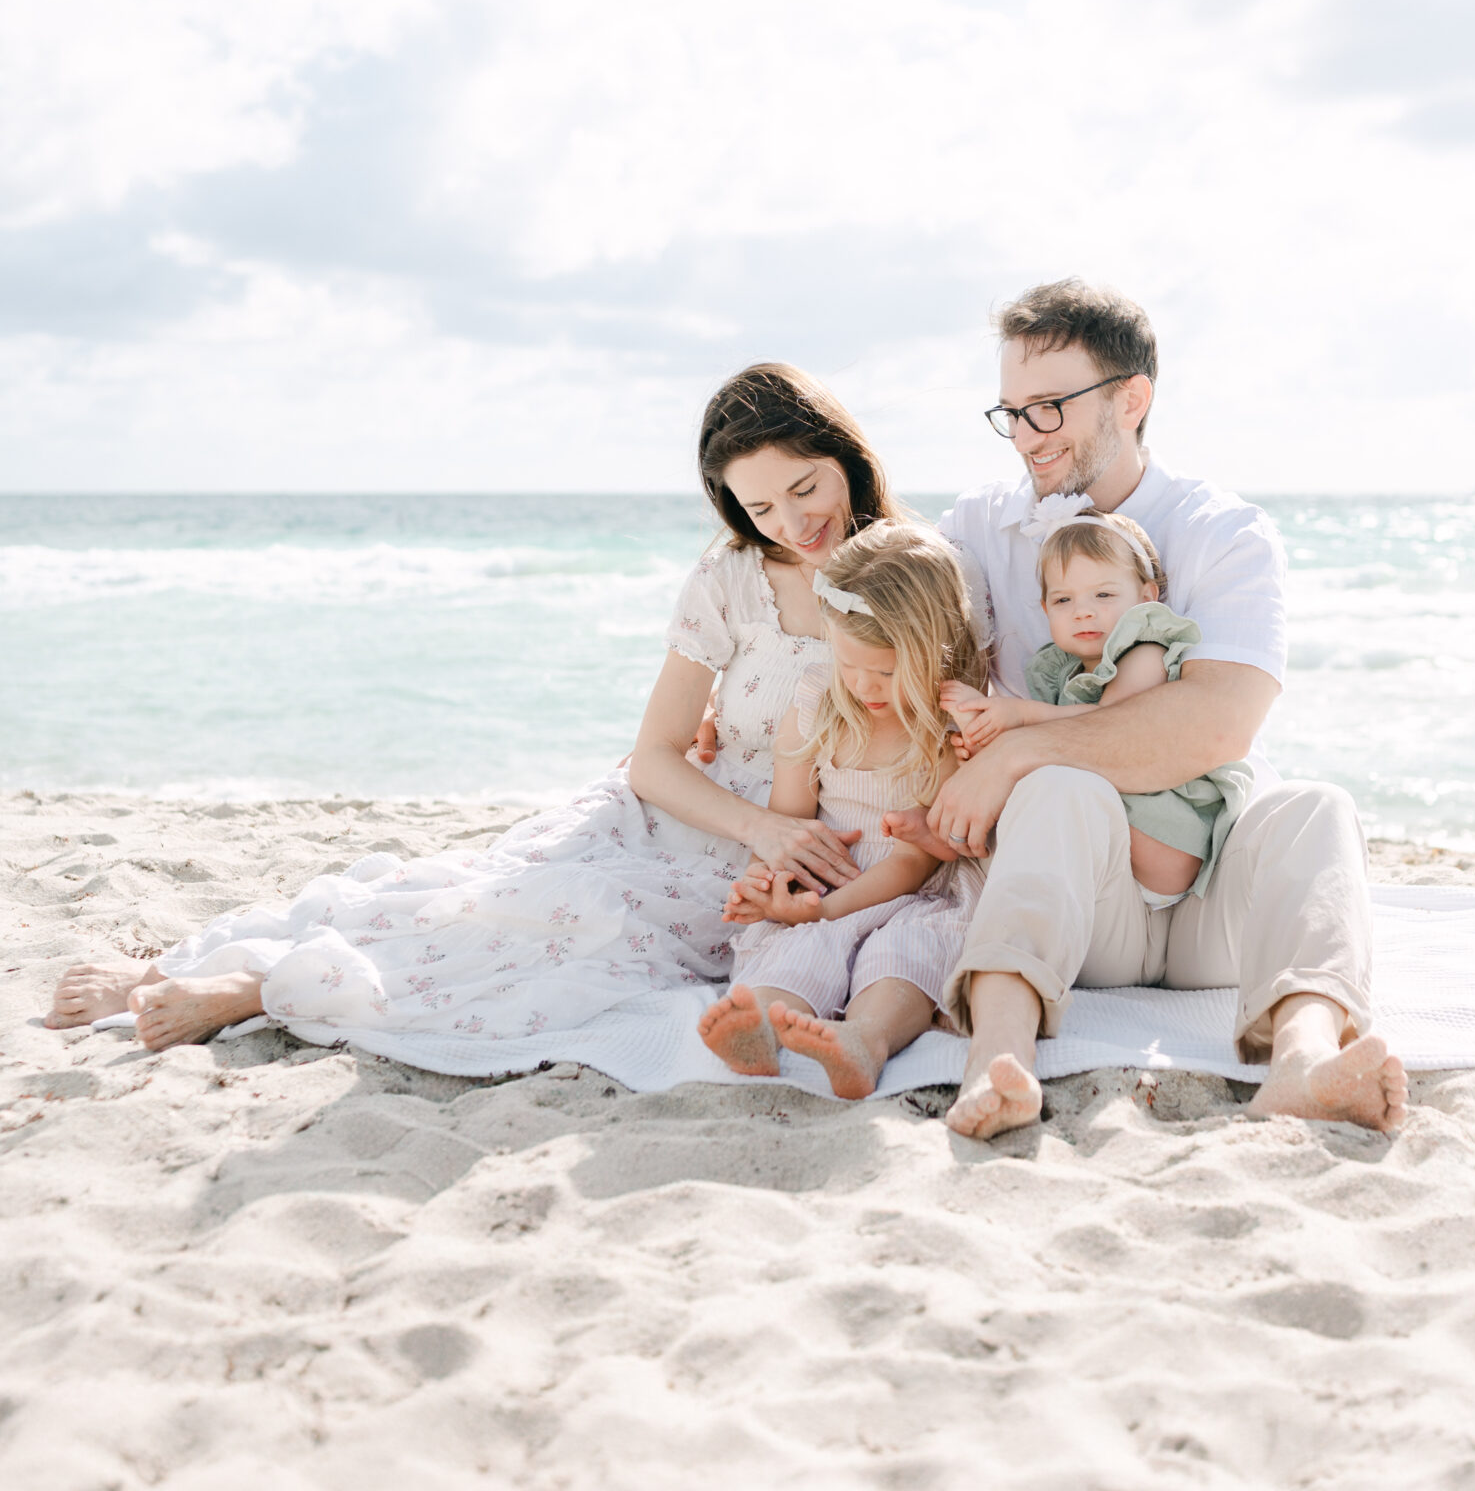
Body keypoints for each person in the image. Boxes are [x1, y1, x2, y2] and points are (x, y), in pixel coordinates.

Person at [44, 365, 897, 1071]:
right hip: (694, 810)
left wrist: (785, 840)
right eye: (760, 509)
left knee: (571, 944)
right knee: (472, 895)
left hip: (792, 852)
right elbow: (655, 758)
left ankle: (255, 991)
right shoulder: (730, 578)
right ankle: (175, 970)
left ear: (845, 456)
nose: (793, 523)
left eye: (804, 487)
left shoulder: (913, 572)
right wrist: (758, 826)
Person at [885, 278, 1407, 1143]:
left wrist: (1015, 749)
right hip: (1082, 899)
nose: (1024, 436)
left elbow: (1215, 726)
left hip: (1209, 897)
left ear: (1132, 399)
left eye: (1048, 408)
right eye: (1010, 412)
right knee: (1060, 791)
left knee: (1319, 807)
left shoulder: (1221, 530)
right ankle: (999, 1059)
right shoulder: (980, 525)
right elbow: (900, 647)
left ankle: (1305, 1063)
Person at [698, 520, 987, 1098]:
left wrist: (828, 912)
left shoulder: (947, 728)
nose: (863, 685)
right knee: (800, 947)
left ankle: (866, 1040)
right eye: (848, 663)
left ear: (937, 651)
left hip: (917, 891)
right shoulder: (816, 701)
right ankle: (761, 1022)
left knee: (907, 951)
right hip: (827, 888)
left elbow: (914, 862)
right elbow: (789, 817)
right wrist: (774, 885)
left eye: (885, 671)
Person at [941, 510, 1253, 903]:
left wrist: (1019, 717)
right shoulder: (1065, 673)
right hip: (1113, 869)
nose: (1083, 611)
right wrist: (991, 743)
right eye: (1063, 599)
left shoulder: (1146, 653)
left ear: (1145, 597)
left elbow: (1109, 725)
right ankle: (939, 840)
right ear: (1045, 609)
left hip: (1166, 844)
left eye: (1103, 595)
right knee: (1022, 809)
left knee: (1047, 789)